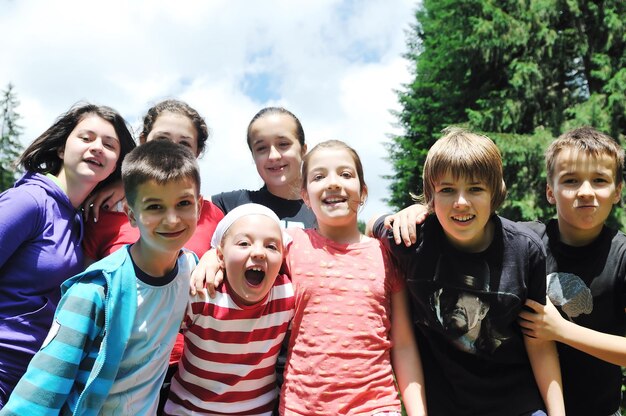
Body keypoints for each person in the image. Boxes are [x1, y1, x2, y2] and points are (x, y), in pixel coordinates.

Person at [369, 128, 565, 415]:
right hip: (444, 404)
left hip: (516, 403)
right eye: (447, 190)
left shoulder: (526, 251)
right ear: (431, 197)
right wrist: (403, 214)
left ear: (494, 193)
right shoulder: (412, 241)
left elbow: (539, 341)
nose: (461, 202)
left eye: (475, 189)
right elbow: (372, 222)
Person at [0, 139, 202, 415]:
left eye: (183, 203)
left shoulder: (190, 270)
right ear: (131, 214)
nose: (172, 219)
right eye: (155, 207)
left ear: (199, 207)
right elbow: (41, 388)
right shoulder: (96, 290)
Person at [0, 103, 136, 406]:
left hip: (32, 384)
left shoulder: (78, 220)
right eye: (86, 138)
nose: (97, 148)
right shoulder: (28, 201)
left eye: (109, 144)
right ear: (62, 149)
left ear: (116, 164)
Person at [517, 126, 626, 416]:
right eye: (571, 181)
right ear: (550, 191)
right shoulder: (524, 241)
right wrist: (407, 214)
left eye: (600, 180)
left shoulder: (622, 257)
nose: (586, 192)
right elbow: (466, 221)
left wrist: (562, 331)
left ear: (617, 191)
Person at [164, 203, 295, 415]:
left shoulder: (286, 297)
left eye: (271, 247)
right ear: (221, 256)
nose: (259, 252)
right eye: (244, 243)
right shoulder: (200, 296)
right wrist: (206, 257)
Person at [83, 99, 224, 260]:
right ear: (142, 141)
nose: (170, 150)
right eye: (162, 139)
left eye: (184, 144)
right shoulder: (103, 211)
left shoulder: (214, 215)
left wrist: (213, 258)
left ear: (197, 152)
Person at [210, 106, 316, 229]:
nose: (273, 156)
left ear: (303, 150)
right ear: (253, 156)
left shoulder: (327, 207)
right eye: (261, 148)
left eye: (283, 144)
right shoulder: (229, 206)